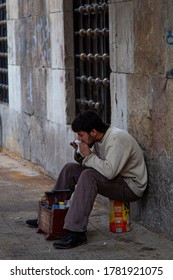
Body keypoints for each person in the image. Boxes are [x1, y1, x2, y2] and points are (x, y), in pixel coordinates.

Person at [26, 110, 148, 249]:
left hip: (130, 186)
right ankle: (51, 216)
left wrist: (88, 155)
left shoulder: (116, 139)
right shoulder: (97, 139)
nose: (79, 138)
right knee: (70, 169)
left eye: (81, 135)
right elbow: (96, 164)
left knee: (88, 176)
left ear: (93, 132)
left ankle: (76, 232)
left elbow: (109, 172)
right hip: (116, 179)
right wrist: (80, 153)